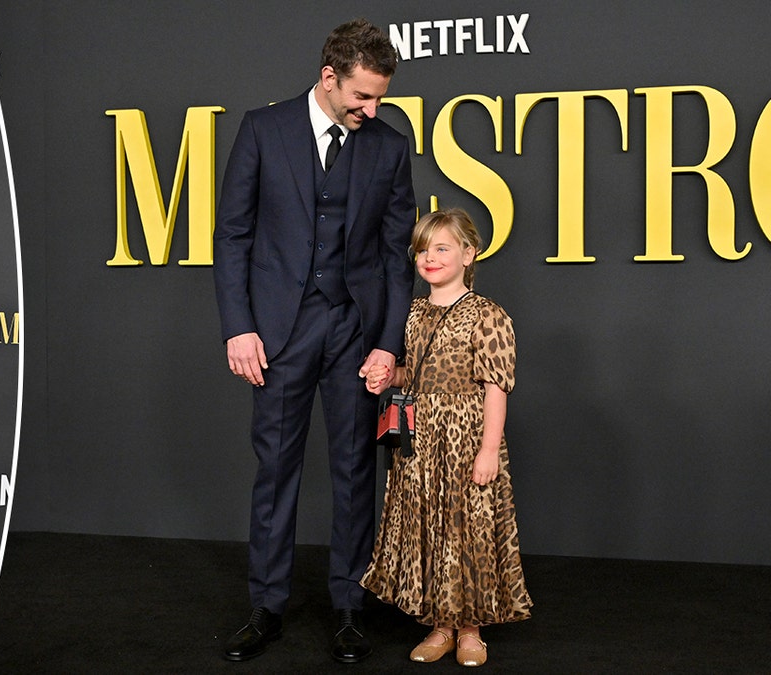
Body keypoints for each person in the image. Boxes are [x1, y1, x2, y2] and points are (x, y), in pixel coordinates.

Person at [213, 18, 416, 663]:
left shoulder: (388, 146)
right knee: (276, 468)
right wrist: (239, 326)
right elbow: (232, 237)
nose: (371, 109)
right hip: (278, 331)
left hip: (354, 330)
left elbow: (394, 256)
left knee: (357, 469)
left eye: (380, 98)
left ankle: (350, 607)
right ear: (329, 78)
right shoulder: (262, 130)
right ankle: (267, 606)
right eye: (362, 96)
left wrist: (389, 343)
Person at [360, 208, 532, 667]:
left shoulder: (489, 315)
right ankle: (440, 625)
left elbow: (496, 386)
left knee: (466, 529)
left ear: (468, 254)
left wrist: (489, 449)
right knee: (429, 527)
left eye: (441, 248)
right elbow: (410, 373)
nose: (429, 258)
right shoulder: (412, 312)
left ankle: (471, 629)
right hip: (419, 442)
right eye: (422, 250)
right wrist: (386, 377)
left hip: (466, 439)